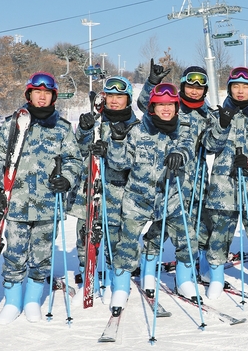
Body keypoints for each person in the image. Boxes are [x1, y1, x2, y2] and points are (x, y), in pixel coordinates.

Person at [0, 72, 82, 324]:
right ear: (28, 94)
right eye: (37, 92)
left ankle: (32, 301)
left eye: (47, 93)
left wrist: (68, 178)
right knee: (15, 254)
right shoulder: (12, 124)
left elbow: (74, 160)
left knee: (41, 256)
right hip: (16, 203)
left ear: (53, 97)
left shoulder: (62, 128)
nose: (42, 96)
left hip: (48, 205)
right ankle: (13, 302)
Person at [102, 83, 196, 314]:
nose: (166, 110)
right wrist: (116, 142)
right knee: (127, 244)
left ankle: (184, 280)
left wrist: (179, 154)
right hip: (138, 199)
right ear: (152, 107)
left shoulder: (184, 128)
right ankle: (121, 287)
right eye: (160, 105)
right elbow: (119, 163)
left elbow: (188, 148)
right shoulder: (136, 130)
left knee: (187, 238)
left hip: (170, 197)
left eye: (170, 105)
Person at [202, 67, 248, 299]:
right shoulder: (216, 116)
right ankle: (215, 278)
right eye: (236, 86)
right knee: (219, 235)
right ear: (229, 88)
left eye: (245, 86)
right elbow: (209, 146)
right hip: (223, 188)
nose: (240, 91)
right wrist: (222, 125)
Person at [137, 61, 214, 283]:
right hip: (167, 177)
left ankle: (197, 268)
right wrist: (153, 82)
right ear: (182, 86)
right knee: (161, 226)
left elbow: (212, 145)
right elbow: (145, 105)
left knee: (200, 226)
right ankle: (148, 269)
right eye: (190, 86)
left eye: (199, 88)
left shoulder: (208, 113)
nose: (194, 90)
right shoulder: (171, 104)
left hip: (197, 177)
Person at [69, 77, 138, 297]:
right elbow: (78, 150)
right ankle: (88, 276)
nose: (115, 101)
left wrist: (111, 151)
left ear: (128, 99)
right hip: (91, 189)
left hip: (119, 192)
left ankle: (114, 281)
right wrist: (84, 130)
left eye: (120, 96)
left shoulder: (136, 126)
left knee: (115, 237)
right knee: (85, 233)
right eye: (111, 96)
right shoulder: (97, 122)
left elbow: (133, 161)